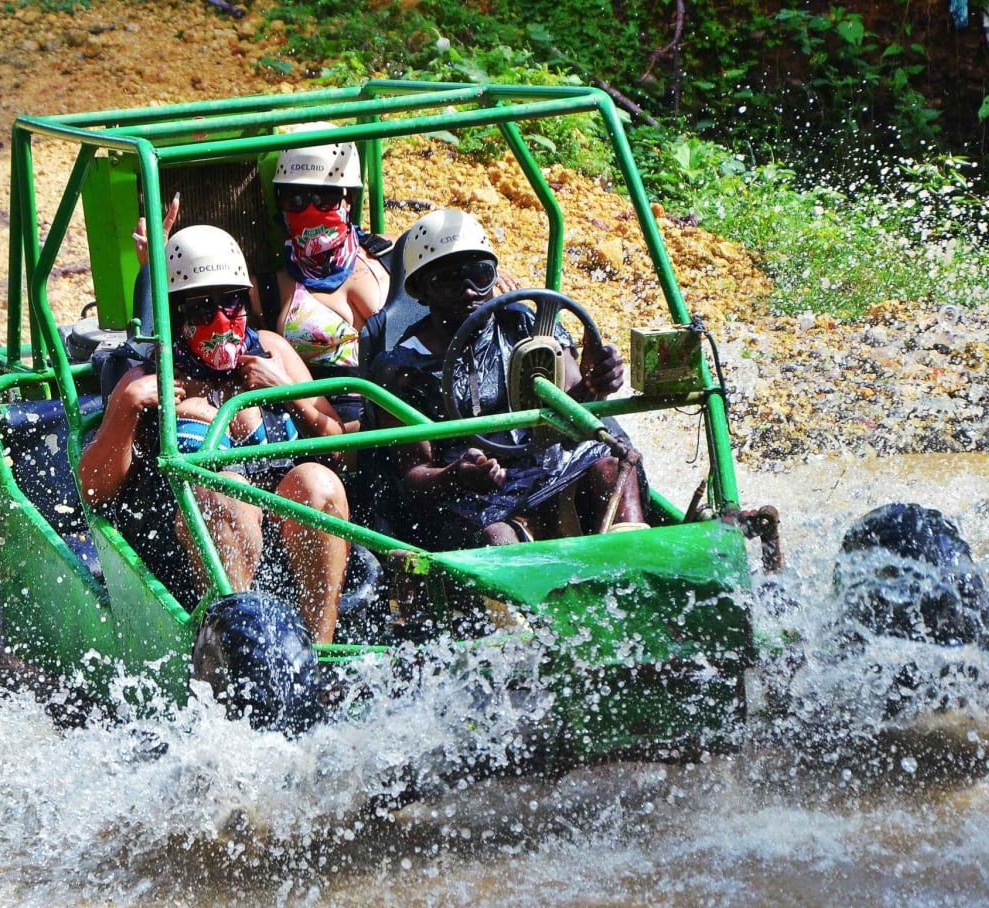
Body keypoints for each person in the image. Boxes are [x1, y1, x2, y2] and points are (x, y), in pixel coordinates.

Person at [79, 224, 351, 644]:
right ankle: (240, 650)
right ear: (174, 315)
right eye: (203, 309)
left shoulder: (273, 352)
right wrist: (126, 409)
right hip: (185, 549)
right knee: (224, 493)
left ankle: (321, 654)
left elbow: (342, 450)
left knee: (318, 482)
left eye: (232, 303)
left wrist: (292, 395)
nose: (222, 320)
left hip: (282, 542)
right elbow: (94, 491)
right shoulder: (145, 376)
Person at [372, 209, 647, 549]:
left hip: (547, 465)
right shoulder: (402, 369)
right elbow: (413, 475)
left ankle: (636, 564)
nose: (468, 291)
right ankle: (528, 599)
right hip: (471, 496)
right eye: (448, 281)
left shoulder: (521, 324)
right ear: (421, 292)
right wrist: (457, 475)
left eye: (480, 275)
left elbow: (573, 402)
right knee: (497, 538)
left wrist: (595, 384)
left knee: (613, 465)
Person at [268, 134, 391, 432]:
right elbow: (192, 320)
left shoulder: (392, 254)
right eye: (296, 199)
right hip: (337, 428)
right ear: (280, 204)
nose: (311, 211)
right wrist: (150, 269)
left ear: (348, 200)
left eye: (325, 198)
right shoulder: (269, 291)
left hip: (409, 408)